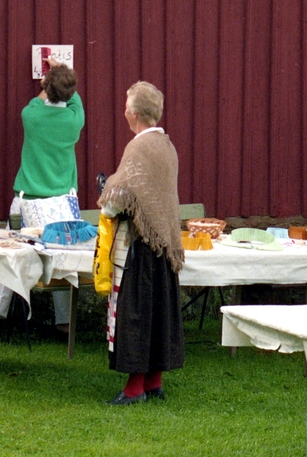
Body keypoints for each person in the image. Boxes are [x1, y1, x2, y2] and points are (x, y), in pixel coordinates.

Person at [97, 81, 184, 405]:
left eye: (125, 105)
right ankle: (153, 381)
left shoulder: (139, 147)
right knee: (158, 311)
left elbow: (120, 196)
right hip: (163, 243)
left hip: (140, 245)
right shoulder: (166, 145)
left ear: (133, 113)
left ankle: (135, 388)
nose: (124, 111)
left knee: (136, 314)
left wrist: (106, 198)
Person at [0, 57, 85, 331]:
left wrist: (50, 76)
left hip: (28, 199)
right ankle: (64, 321)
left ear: (46, 87)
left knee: (8, 254)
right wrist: (61, 73)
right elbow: (74, 100)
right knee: (64, 261)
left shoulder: (31, 115)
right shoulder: (74, 120)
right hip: (62, 202)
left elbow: (41, 97)